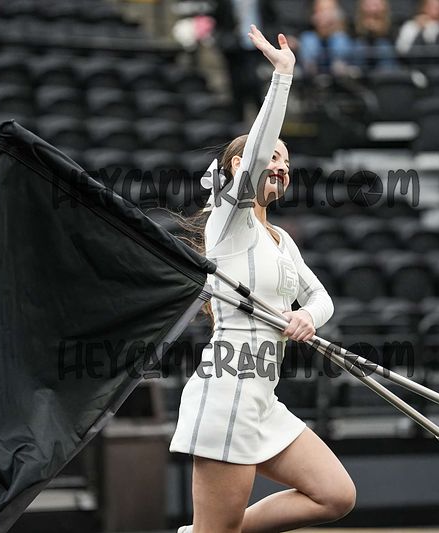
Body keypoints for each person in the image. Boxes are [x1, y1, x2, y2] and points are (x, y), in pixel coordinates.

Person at [168, 25, 354, 533]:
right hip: (227, 390)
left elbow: (322, 298)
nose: (281, 165)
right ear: (238, 166)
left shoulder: (281, 240)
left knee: (336, 495)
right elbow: (255, 153)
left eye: (287, 161)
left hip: (262, 397)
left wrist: (306, 317)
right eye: (274, 155)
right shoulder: (227, 221)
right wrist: (283, 76)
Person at [213, 0, 281, 118]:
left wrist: (270, 37)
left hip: (258, 47)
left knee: (255, 83)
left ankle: (263, 119)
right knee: (236, 85)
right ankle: (238, 120)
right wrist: (223, 40)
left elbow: (272, 17)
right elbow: (219, 19)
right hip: (233, 48)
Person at [298, 0, 355, 76]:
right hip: (316, 42)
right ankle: (310, 69)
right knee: (308, 39)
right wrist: (320, 25)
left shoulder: (341, 20)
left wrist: (332, 26)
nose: (325, 14)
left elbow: (344, 28)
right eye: (321, 10)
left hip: (335, 45)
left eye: (328, 10)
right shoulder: (310, 19)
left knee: (340, 39)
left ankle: (340, 68)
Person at [352, 0, 398, 71]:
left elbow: (395, 43)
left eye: (376, 5)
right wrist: (364, 30)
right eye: (368, 5)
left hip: (385, 56)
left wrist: (380, 31)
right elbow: (352, 39)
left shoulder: (393, 22)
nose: (372, 9)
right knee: (360, 45)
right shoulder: (354, 21)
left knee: (383, 46)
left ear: (384, 6)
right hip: (363, 54)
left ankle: (386, 74)